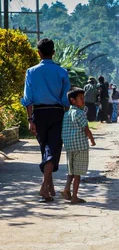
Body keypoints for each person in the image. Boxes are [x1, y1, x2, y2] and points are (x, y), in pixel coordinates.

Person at [21, 38, 71, 202]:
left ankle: (49, 188)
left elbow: (28, 98)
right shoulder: (62, 72)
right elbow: (66, 99)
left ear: (38, 53)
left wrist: (30, 119)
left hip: (39, 113)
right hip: (57, 113)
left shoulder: (31, 72)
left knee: (46, 149)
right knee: (52, 149)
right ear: (54, 53)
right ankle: (45, 187)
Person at [60, 88, 96, 204]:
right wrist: (92, 140)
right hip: (80, 147)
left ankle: (66, 189)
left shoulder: (66, 114)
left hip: (69, 146)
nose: (83, 100)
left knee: (71, 171)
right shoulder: (80, 114)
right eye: (81, 98)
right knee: (78, 173)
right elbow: (86, 129)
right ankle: (74, 196)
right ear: (73, 100)